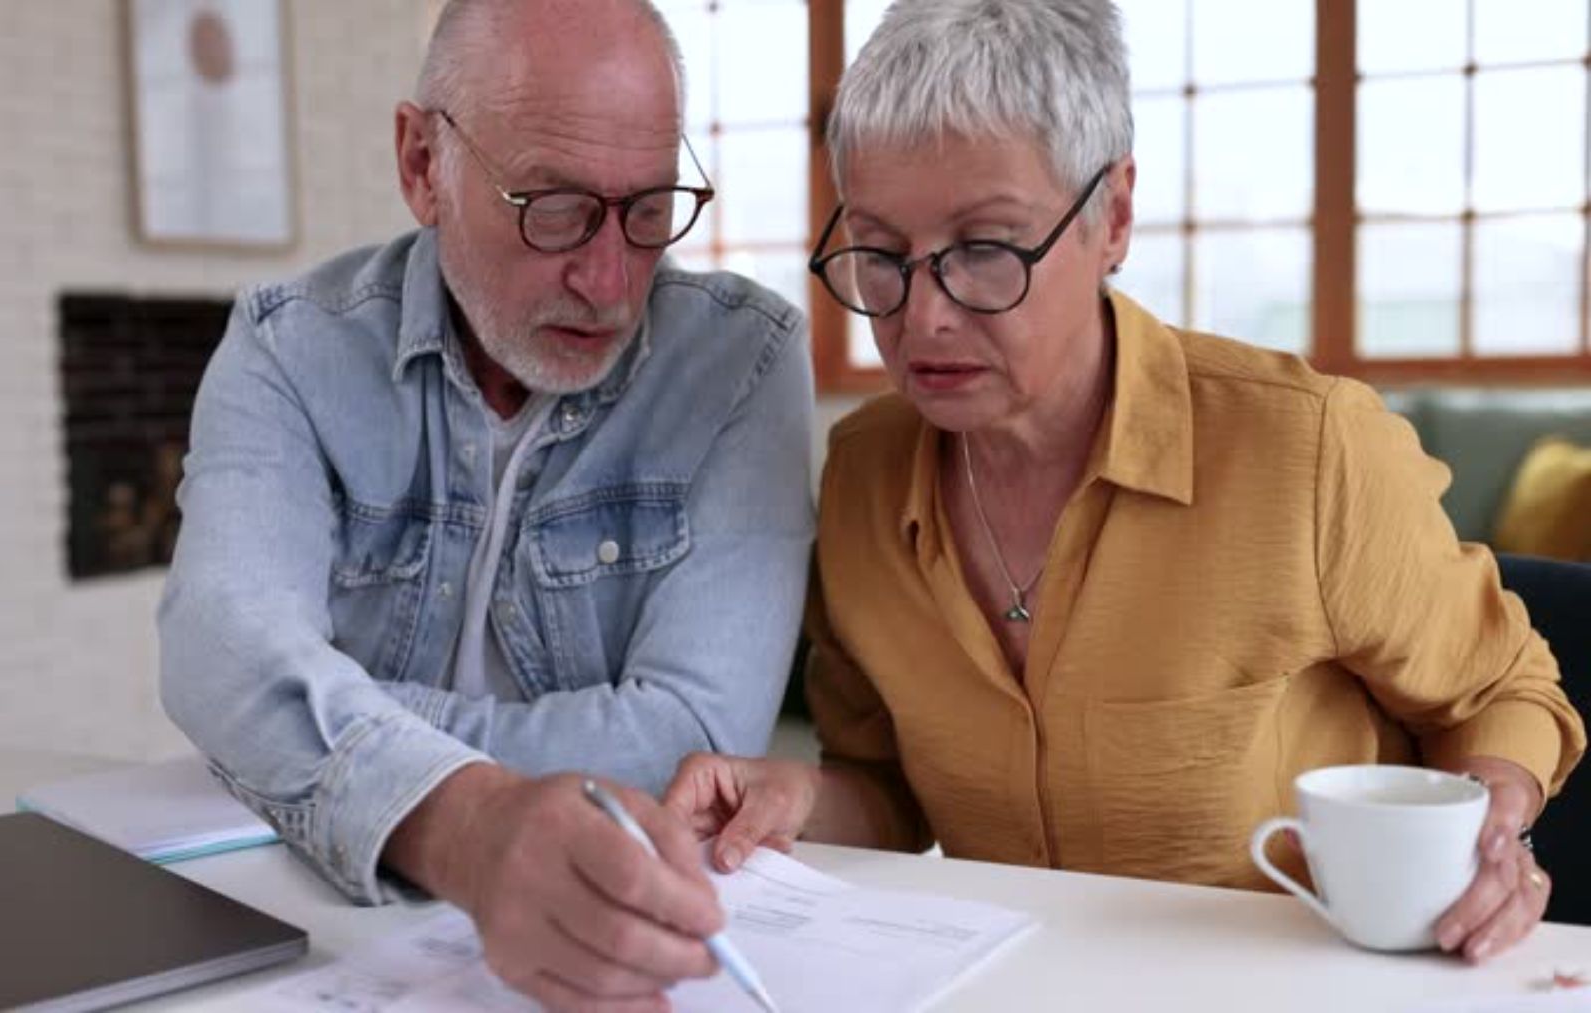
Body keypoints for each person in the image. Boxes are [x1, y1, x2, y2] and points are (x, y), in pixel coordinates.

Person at [666, 0, 1586, 967]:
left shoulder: (1304, 451)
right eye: (881, 255)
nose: (922, 316)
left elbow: (1502, 688)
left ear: (1112, 216)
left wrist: (1493, 835)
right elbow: (888, 791)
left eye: (984, 249)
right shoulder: (863, 475)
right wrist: (795, 798)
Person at [158, 0, 815, 1007]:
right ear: (423, 163)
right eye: (552, 209)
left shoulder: (741, 360)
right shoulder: (290, 349)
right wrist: (467, 826)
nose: (607, 279)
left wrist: (334, 720)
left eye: (647, 211)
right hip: (324, 932)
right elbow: (217, 648)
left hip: (621, 934)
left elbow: (693, 738)